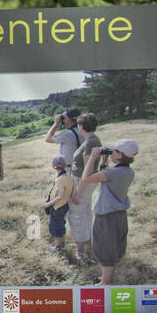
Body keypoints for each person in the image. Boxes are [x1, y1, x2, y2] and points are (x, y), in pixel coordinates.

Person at [73, 140, 138, 285]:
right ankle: (106, 279)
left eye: (114, 151)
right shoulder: (128, 172)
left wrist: (92, 158)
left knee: (105, 248)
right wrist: (104, 161)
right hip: (119, 215)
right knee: (113, 246)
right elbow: (107, 175)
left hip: (106, 217)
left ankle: (105, 283)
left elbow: (86, 178)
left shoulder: (113, 173)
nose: (112, 152)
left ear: (120, 155)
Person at [66, 112, 102, 262]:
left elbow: (88, 169)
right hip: (83, 181)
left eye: (79, 124)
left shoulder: (90, 142)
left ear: (82, 126)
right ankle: (86, 244)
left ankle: (81, 251)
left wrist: (77, 193)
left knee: (77, 214)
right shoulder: (91, 140)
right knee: (85, 213)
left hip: (83, 182)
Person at [41, 155, 73, 254]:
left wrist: (48, 204)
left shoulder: (59, 180)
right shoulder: (68, 177)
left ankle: (58, 247)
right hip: (65, 205)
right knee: (61, 225)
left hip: (58, 206)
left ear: (53, 167)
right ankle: (61, 245)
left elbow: (60, 196)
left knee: (55, 226)